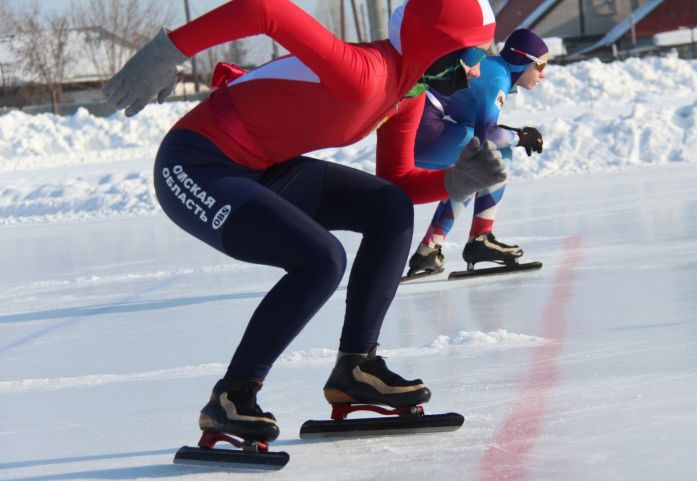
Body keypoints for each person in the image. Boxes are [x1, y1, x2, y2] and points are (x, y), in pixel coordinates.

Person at [102, 0, 503, 445]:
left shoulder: (406, 94)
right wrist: (169, 51)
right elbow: (264, 9)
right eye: (473, 56)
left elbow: (396, 183)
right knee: (321, 259)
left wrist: (454, 181)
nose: (476, 72)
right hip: (195, 165)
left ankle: (356, 369)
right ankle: (232, 396)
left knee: (389, 208)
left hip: (263, 167)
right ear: (434, 47)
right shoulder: (364, 73)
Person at [406, 29, 549, 276]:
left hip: (421, 131)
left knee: (470, 171)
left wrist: (516, 134)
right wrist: (519, 137)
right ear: (521, 59)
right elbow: (488, 136)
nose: (543, 73)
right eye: (540, 65)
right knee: (496, 157)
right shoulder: (497, 78)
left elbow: (483, 131)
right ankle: (480, 240)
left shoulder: (494, 69)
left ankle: (429, 249)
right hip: (428, 131)